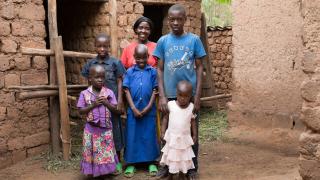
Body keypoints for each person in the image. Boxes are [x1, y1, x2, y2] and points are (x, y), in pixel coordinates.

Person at [153, 4, 207, 180]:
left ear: (185, 20)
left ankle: (191, 168)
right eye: (172, 19)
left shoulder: (193, 40)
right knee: (167, 132)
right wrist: (161, 95)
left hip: (189, 96)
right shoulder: (163, 41)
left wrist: (197, 97)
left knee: (190, 133)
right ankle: (166, 166)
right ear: (168, 20)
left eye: (179, 19)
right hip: (168, 94)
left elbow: (200, 68)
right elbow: (159, 70)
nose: (175, 22)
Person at [81, 33, 126, 175]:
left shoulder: (115, 62)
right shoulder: (90, 64)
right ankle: (97, 163)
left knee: (115, 132)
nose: (102, 49)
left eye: (105, 46)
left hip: (111, 102)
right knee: (97, 134)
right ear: (95, 47)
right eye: (99, 46)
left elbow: (120, 81)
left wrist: (119, 100)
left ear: (109, 47)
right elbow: (86, 81)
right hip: (96, 104)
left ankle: (116, 161)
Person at [122, 44, 160, 178]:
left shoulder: (152, 72)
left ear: (148, 57)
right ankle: (131, 163)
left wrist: (148, 107)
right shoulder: (129, 72)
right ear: (134, 57)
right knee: (132, 135)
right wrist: (133, 108)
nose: (141, 60)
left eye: (144, 57)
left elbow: (155, 91)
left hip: (149, 111)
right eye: (138, 58)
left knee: (149, 135)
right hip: (133, 111)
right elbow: (126, 90)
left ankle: (151, 162)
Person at [77, 65, 119, 177]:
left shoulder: (109, 93)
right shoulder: (84, 94)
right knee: (92, 153)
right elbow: (81, 111)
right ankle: (94, 172)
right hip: (90, 130)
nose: (100, 79)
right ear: (90, 78)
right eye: (97, 77)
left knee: (105, 152)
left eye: (102, 77)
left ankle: (105, 172)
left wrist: (106, 103)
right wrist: (94, 104)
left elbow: (116, 110)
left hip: (105, 129)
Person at [160, 80, 197, 180]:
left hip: (184, 139)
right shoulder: (171, 105)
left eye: (186, 96)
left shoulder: (191, 107)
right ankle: (171, 175)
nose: (183, 98)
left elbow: (193, 122)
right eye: (180, 95)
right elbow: (165, 118)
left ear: (190, 96)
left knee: (183, 157)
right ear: (176, 93)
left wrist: (195, 135)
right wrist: (162, 131)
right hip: (172, 138)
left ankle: (182, 174)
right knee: (172, 157)